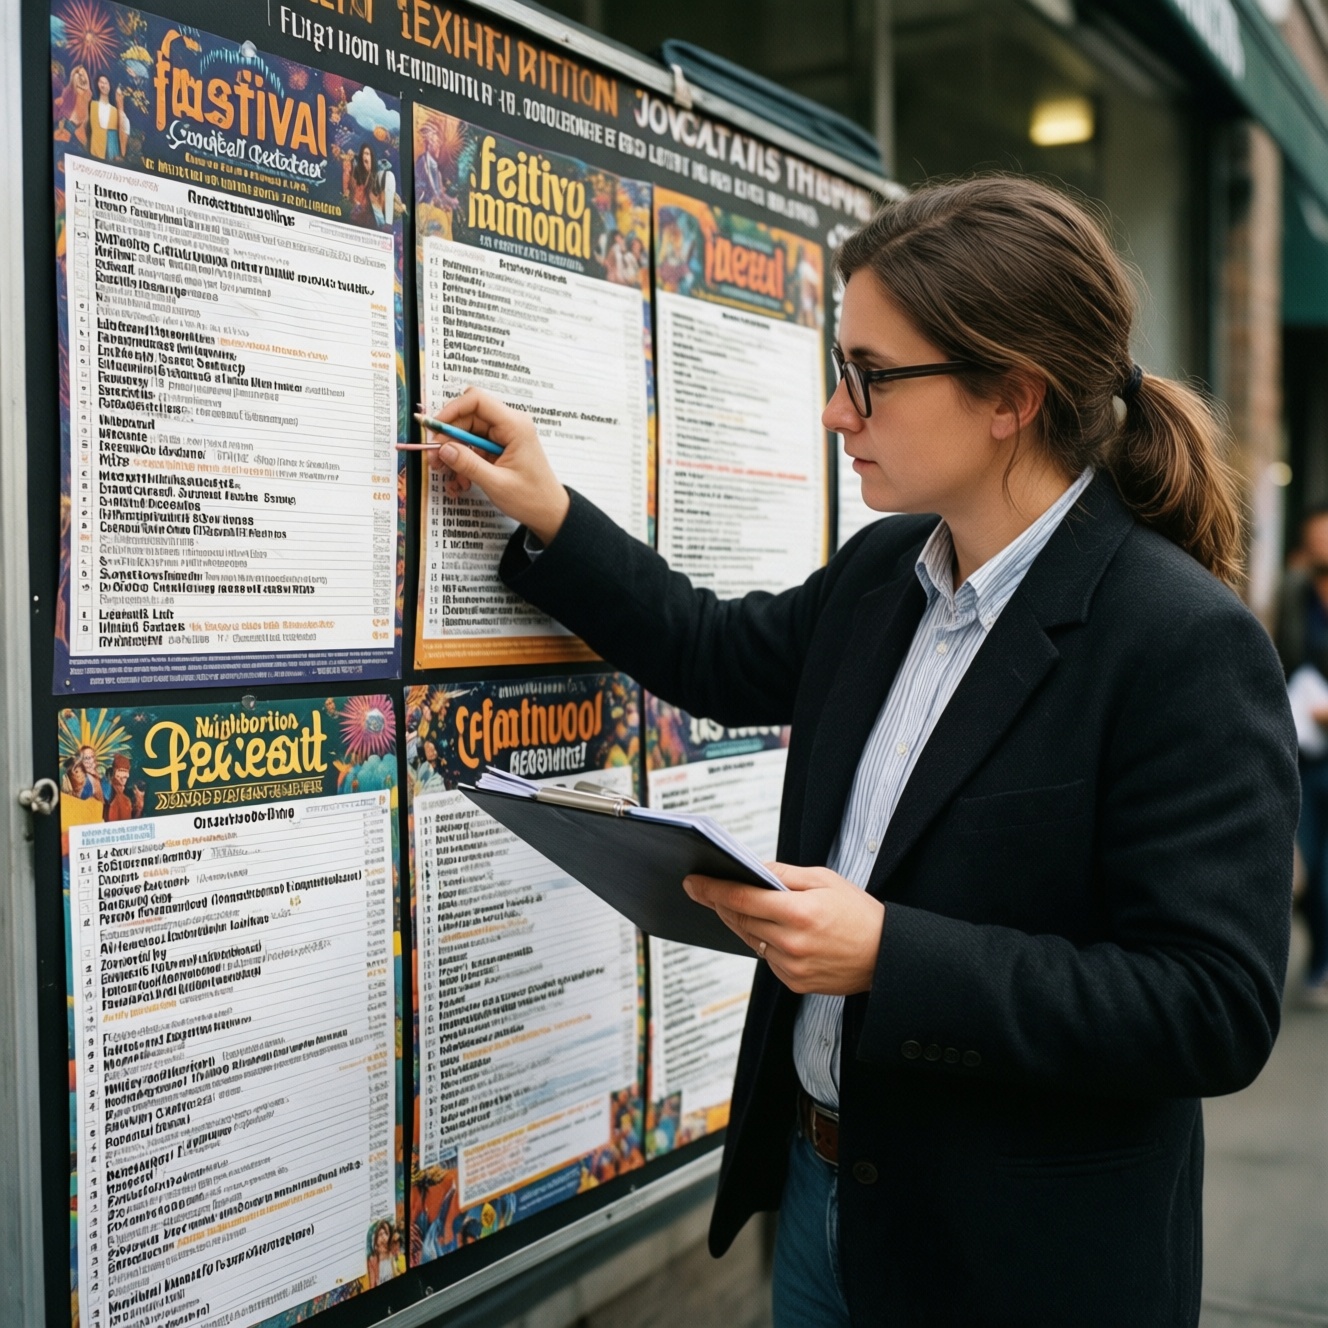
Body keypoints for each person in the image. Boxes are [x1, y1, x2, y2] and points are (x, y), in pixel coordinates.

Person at [421, 176, 1297, 1326]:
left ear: (1010, 397)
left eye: (868, 378)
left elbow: (1210, 1004)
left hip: (1016, 1266)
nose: (838, 415)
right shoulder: (886, 574)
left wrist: (891, 951)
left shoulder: (1179, 641)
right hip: (823, 1204)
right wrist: (550, 512)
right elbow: (713, 650)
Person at [1273, 502, 1328, 1005]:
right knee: (1301, 862)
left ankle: (1322, 966)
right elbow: (1281, 656)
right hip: (1305, 755)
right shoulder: (1294, 596)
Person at [88, 75, 128, 161]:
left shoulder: (115, 111)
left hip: (111, 156)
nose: (103, 85)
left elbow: (122, 133)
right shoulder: (92, 105)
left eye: (106, 83)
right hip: (95, 153)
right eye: (101, 82)